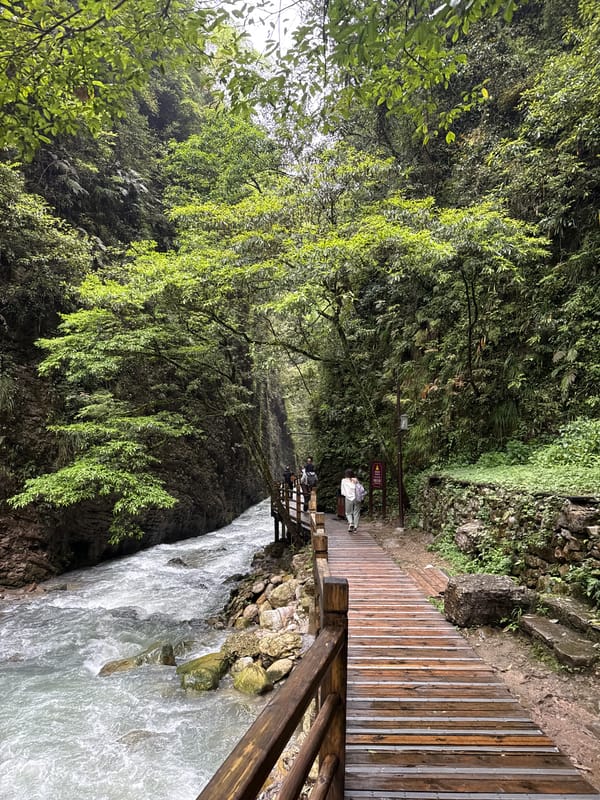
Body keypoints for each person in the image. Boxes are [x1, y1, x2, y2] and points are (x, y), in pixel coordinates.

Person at [340, 468, 361, 533]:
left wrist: (346, 495)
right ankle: (355, 527)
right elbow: (360, 488)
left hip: (348, 498)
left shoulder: (343, 480)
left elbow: (342, 491)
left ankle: (351, 523)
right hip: (357, 498)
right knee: (356, 512)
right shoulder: (356, 480)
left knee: (348, 512)